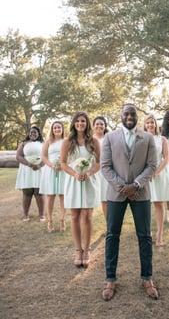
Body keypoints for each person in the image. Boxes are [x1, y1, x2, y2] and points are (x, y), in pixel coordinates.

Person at [101, 103, 158, 301]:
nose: (129, 116)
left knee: (145, 236)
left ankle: (147, 278)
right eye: (126, 113)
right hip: (116, 194)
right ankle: (110, 279)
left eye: (133, 113)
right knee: (112, 235)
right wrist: (122, 187)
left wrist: (136, 185)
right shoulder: (109, 137)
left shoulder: (148, 138)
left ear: (137, 116)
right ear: (121, 116)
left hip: (140, 194)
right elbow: (105, 166)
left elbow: (152, 165)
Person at [61, 112, 100, 268]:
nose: (80, 123)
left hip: (89, 181)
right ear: (73, 124)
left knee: (87, 215)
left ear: (87, 123)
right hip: (73, 180)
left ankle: (87, 250)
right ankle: (78, 250)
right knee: (75, 215)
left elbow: (98, 163)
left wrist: (88, 173)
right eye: (77, 121)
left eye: (83, 121)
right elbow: (63, 163)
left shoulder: (94, 142)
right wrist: (76, 173)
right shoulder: (67, 142)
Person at [144, 114, 169, 247]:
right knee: (144, 205)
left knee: (158, 204)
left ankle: (160, 234)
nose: (150, 125)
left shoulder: (162, 140)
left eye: (152, 122)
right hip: (145, 176)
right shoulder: (140, 139)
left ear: (155, 124)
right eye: (147, 123)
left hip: (159, 174)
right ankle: (146, 233)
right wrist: (146, 173)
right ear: (145, 125)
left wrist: (156, 171)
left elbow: (166, 158)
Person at [40, 121, 66, 232]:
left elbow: (70, 154)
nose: (57, 129)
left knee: (62, 196)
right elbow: (44, 156)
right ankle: (50, 221)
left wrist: (62, 164)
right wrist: (52, 165)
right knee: (50, 196)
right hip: (50, 170)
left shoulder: (66, 141)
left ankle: (62, 220)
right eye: (55, 128)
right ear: (52, 129)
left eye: (59, 127)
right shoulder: (48, 142)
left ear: (62, 129)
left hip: (63, 170)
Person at [15, 126, 45, 222]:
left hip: (39, 169)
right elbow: (18, 156)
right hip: (26, 169)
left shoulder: (43, 143)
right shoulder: (23, 144)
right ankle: (25, 215)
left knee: (39, 192)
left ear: (38, 134)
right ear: (28, 133)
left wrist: (39, 165)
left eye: (35, 132)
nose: (33, 134)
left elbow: (47, 156)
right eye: (31, 132)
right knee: (27, 192)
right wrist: (29, 164)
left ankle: (42, 215)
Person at [93, 116, 109, 220]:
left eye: (102, 124)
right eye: (97, 124)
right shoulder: (89, 139)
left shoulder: (109, 138)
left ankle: (109, 226)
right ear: (93, 126)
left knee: (105, 199)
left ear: (105, 126)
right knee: (90, 199)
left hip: (105, 172)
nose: (99, 126)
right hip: (92, 171)